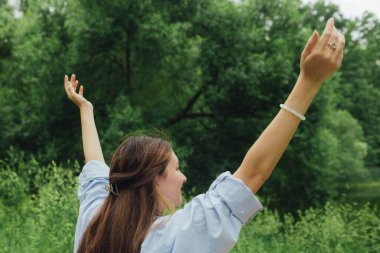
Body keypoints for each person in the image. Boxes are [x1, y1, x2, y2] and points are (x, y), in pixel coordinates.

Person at [65, 17, 345, 253]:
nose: (183, 176)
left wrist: (85, 110)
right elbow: (253, 174)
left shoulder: (95, 217)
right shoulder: (175, 237)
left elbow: (94, 166)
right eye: (175, 168)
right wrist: (309, 82)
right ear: (153, 180)